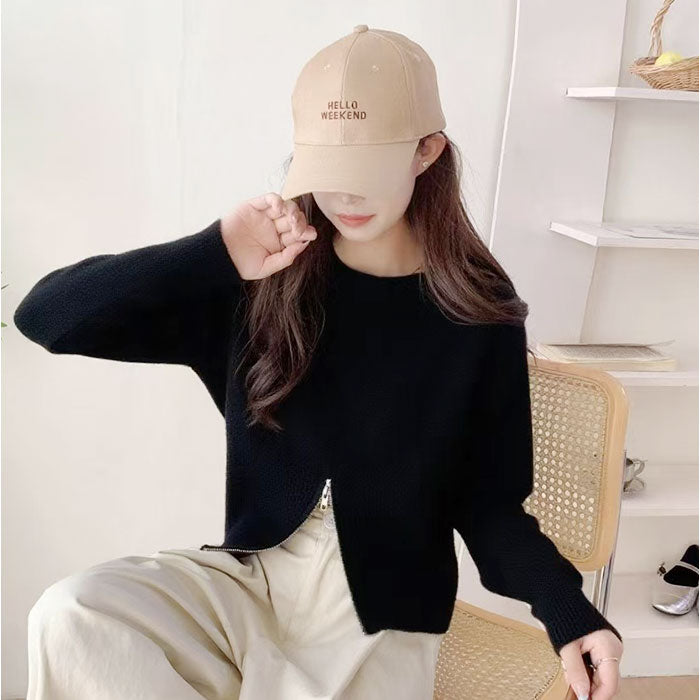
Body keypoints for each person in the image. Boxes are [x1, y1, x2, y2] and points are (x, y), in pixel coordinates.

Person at [14, 24, 623, 700]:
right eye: (327, 172)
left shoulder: (478, 311)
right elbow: (47, 317)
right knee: (75, 615)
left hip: (379, 611)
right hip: (250, 582)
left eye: (365, 172)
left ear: (427, 151)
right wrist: (214, 252)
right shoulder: (263, 279)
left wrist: (568, 611)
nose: (345, 198)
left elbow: (489, 504)